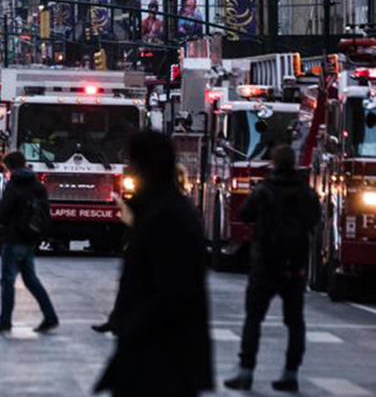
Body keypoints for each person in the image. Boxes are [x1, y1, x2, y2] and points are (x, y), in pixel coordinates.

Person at [95, 131, 213, 397]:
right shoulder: (163, 210)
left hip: (160, 357)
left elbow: (169, 291)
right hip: (161, 353)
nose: (130, 168)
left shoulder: (165, 216)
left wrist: (133, 335)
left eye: (134, 161)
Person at [224, 145, 320, 393]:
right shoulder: (306, 192)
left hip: (265, 264)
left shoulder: (264, 190)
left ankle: (246, 372)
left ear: (274, 164)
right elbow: (315, 219)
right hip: (295, 265)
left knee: (253, 320)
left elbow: (245, 215)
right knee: (295, 322)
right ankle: (291, 373)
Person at [0, 152, 59, 334]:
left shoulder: (14, 184)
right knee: (31, 279)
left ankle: (5, 321)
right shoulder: (37, 185)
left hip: (13, 237)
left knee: (8, 281)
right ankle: (50, 317)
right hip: (30, 238)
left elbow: (3, 212)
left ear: (9, 166)